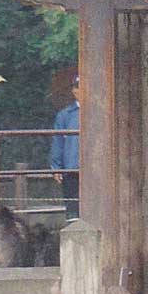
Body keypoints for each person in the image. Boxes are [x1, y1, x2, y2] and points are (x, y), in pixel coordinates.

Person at [51, 76, 80, 220]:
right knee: (73, 207)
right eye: (78, 87)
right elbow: (58, 141)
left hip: (94, 170)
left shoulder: (98, 112)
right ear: (74, 90)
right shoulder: (65, 115)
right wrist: (56, 166)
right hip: (72, 168)